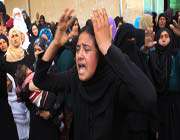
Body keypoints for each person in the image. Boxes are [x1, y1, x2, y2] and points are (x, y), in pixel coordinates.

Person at [32, 8, 156, 140]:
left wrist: (108, 47)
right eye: (78, 49)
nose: (79, 55)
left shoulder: (115, 82)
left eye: (86, 49)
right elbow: (40, 80)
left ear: (100, 54)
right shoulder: (74, 77)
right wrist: (55, 44)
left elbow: (149, 98)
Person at [144, 27, 180, 140]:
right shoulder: (152, 54)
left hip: (174, 102)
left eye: (166, 36)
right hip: (159, 102)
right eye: (161, 37)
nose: (164, 39)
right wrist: (145, 49)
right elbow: (143, 65)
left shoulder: (176, 54)